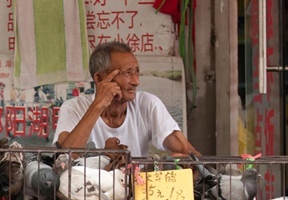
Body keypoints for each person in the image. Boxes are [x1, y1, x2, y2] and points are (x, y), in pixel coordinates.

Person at [53, 41, 200, 158]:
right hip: (88, 192)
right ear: (99, 78)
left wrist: (181, 160)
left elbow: (188, 151)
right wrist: (98, 105)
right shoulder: (73, 108)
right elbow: (64, 158)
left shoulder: (147, 104)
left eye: (137, 72)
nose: (136, 81)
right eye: (127, 73)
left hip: (136, 191)